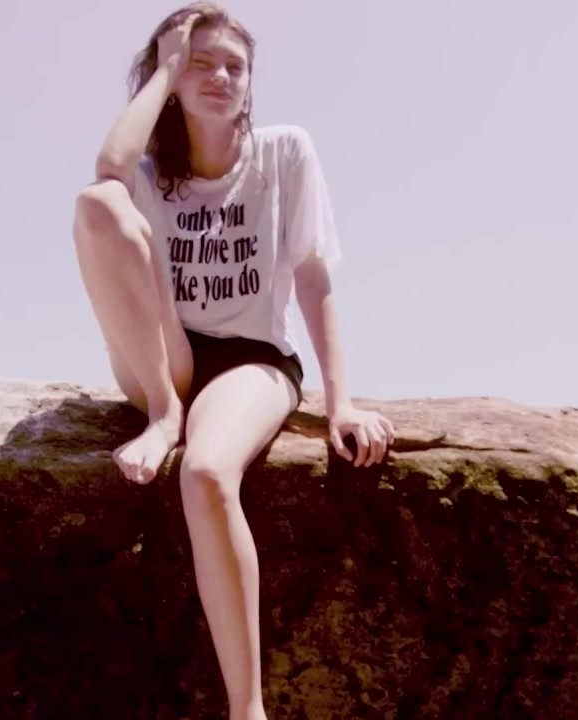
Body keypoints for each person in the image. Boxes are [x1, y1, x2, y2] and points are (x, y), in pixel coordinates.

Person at [71, 3, 395, 718]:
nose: (220, 76)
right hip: (164, 354)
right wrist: (166, 64)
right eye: (201, 63)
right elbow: (109, 168)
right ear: (170, 81)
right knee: (98, 204)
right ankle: (165, 416)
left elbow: (312, 279)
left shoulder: (284, 153)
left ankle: (246, 712)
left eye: (235, 66)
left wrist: (341, 402)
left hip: (251, 360)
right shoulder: (150, 172)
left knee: (208, 472)